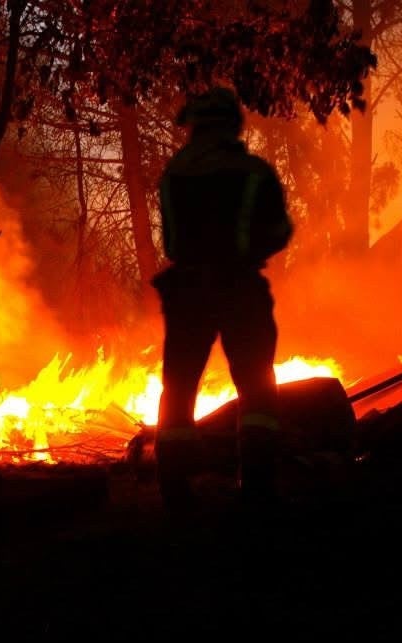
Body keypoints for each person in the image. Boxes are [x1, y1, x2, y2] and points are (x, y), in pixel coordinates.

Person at [153, 87, 293, 509]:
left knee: (178, 388)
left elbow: (173, 243)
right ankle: (257, 486)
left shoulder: (175, 174)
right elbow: (280, 231)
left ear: (195, 127)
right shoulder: (253, 173)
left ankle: (175, 490)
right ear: (232, 125)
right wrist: (248, 250)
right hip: (241, 289)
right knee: (256, 388)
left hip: (188, 290)